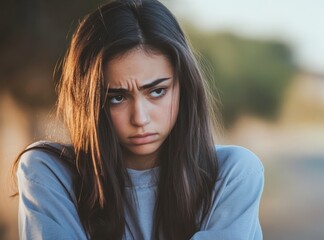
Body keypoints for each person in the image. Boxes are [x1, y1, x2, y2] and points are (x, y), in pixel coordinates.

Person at [13, 0, 264, 239]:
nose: (140, 118)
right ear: (89, 101)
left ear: (184, 87)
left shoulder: (233, 173)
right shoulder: (49, 172)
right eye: (117, 97)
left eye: (157, 91)